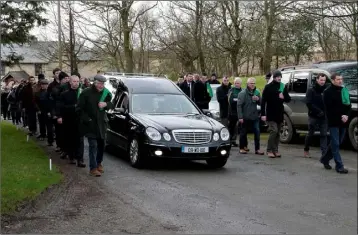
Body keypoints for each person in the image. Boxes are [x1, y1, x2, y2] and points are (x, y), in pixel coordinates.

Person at [78, 74, 114, 177]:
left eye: (102, 84)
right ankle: (92, 168)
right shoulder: (86, 93)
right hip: (90, 124)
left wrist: (106, 104)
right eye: (98, 83)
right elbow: (79, 109)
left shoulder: (106, 93)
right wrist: (87, 119)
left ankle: (98, 163)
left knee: (101, 145)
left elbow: (112, 104)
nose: (100, 86)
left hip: (101, 124)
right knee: (93, 145)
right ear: (94, 82)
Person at [320, 73, 351, 174]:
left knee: (337, 143)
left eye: (341, 79)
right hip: (333, 121)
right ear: (333, 80)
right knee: (336, 143)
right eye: (338, 79)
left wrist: (346, 115)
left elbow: (348, 105)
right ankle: (339, 166)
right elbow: (329, 109)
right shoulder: (327, 92)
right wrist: (340, 116)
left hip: (343, 121)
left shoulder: (344, 90)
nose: (340, 81)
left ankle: (324, 159)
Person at [261, 70, 291, 158]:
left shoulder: (282, 86)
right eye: (277, 76)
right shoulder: (268, 87)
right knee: (274, 131)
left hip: (279, 113)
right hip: (270, 113)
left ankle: (275, 150)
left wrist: (284, 97)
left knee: (278, 133)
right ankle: (269, 150)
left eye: (280, 77)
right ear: (274, 77)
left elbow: (288, 99)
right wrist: (263, 114)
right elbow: (263, 101)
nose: (279, 78)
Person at [58, 75, 86, 167]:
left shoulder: (83, 93)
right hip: (69, 120)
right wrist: (73, 107)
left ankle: (80, 159)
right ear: (70, 82)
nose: (76, 83)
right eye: (74, 81)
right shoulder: (64, 94)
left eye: (78, 81)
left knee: (80, 140)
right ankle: (71, 157)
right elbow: (61, 107)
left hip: (80, 120)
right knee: (70, 139)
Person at [237, 77, 264, 155]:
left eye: (253, 83)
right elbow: (239, 106)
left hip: (254, 116)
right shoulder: (242, 93)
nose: (252, 85)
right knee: (243, 133)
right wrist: (240, 117)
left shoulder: (257, 92)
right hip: (245, 117)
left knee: (257, 132)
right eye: (251, 83)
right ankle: (242, 148)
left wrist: (258, 99)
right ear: (247, 84)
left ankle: (257, 149)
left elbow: (261, 103)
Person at [304, 74, 328, 158]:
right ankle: (306, 149)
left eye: (324, 80)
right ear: (317, 80)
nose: (322, 82)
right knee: (311, 134)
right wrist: (318, 111)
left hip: (324, 116)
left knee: (324, 134)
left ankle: (324, 153)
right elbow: (308, 103)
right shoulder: (311, 90)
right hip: (313, 116)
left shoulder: (326, 89)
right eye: (321, 80)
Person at [34, 79, 54, 145]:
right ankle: (43, 135)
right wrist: (38, 110)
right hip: (41, 111)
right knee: (42, 125)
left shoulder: (50, 93)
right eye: (43, 84)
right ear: (41, 85)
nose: (44, 86)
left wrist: (50, 111)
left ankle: (50, 140)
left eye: (46, 84)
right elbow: (35, 103)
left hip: (48, 111)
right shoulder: (37, 93)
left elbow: (51, 103)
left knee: (49, 127)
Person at [227, 77, 243, 147]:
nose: (237, 84)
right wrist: (238, 100)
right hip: (232, 112)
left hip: (240, 112)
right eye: (235, 83)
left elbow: (243, 101)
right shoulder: (231, 90)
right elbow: (231, 101)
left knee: (238, 128)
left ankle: (234, 140)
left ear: (240, 84)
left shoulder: (243, 91)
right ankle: (229, 140)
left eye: (238, 83)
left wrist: (237, 100)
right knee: (231, 127)